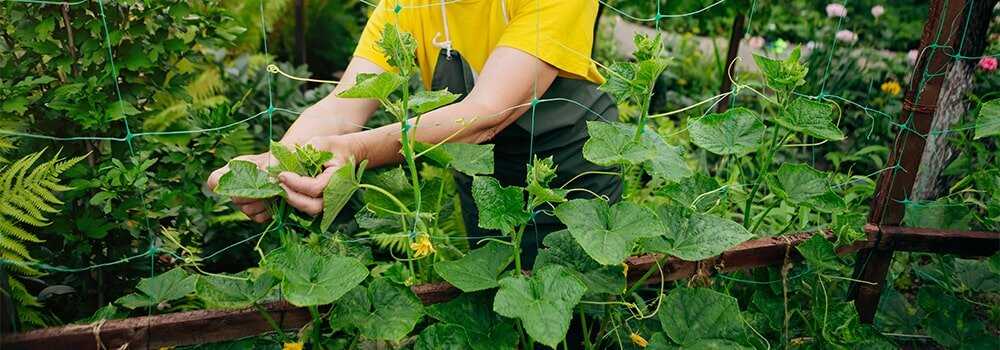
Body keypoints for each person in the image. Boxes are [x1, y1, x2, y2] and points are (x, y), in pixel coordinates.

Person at [207, 0, 621, 268]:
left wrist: (355, 150)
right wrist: (278, 163)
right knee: (501, 304)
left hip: (572, 173)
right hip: (484, 183)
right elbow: (340, 107)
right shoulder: (405, 6)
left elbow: (487, 113)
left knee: (579, 310)